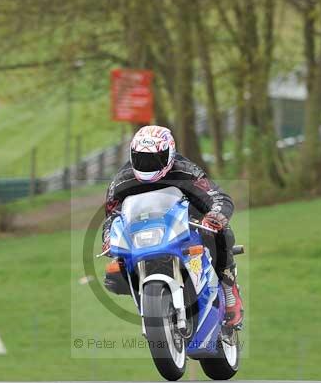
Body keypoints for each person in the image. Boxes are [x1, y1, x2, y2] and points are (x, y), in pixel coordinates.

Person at [102, 125, 244, 328]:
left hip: (185, 221)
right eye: (140, 158)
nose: (147, 164)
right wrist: (109, 237)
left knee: (222, 234)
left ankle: (229, 287)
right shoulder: (121, 181)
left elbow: (218, 197)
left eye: (154, 159)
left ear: (170, 154)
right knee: (115, 274)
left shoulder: (186, 171)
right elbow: (112, 216)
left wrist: (214, 216)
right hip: (142, 231)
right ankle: (150, 305)